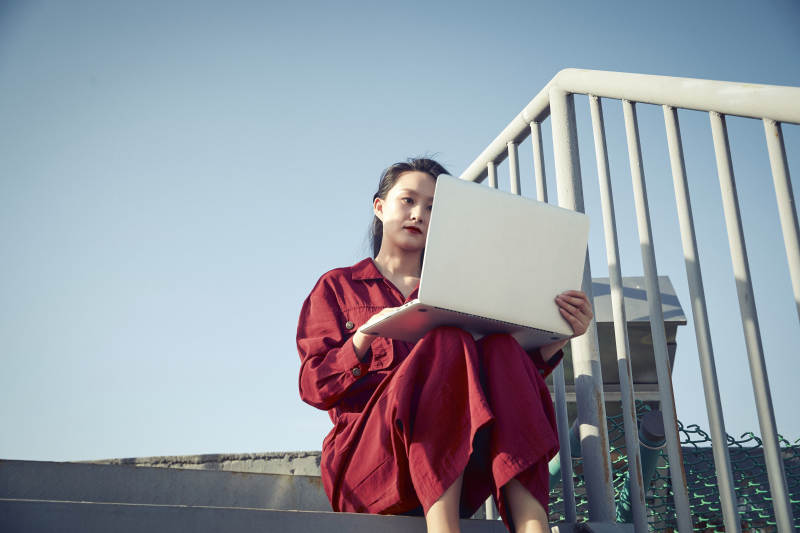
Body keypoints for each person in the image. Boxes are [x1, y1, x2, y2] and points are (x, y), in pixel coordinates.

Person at [296, 158, 593, 533]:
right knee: (447, 339)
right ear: (380, 207)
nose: (419, 214)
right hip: (369, 469)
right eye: (408, 200)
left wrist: (556, 334)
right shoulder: (338, 287)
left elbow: (506, 386)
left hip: (462, 461)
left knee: (501, 347)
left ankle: (532, 526)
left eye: (434, 207)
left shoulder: (461, 289)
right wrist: (362, 337)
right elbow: (313, 387)